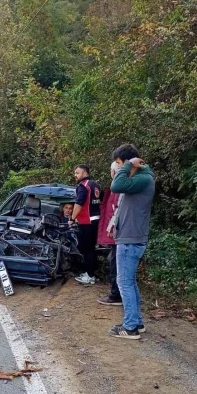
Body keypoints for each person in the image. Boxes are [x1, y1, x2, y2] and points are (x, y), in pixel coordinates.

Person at [108, 144, 155, 339]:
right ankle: (136, 322)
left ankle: (130, 327)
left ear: (129, 162)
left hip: (131, 239)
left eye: (119, 163)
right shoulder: (138, 179)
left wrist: (126, 166)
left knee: (124, 282)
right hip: (129, 237)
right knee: (129, 281)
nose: (118, 168)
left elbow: (115, 186)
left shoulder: (143, 178)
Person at [70, 164, 102, 285]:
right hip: (95, 221)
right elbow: (100, 201)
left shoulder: (83, 186)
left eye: (77, 173)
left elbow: (78, 204)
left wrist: (72, 219)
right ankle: (90, 272)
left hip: (86, 222)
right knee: (90, 249)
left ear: (84, 173)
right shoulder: (96, 185)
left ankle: (90, 276)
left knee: (87, 250)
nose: (75, 175)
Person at [97, 160, 123, 305]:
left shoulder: (118, 189)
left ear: (113, 172)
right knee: (114, 262)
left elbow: (116, 211)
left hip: (116, 234)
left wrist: (111, 229)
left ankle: (115, 295)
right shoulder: (116, 189)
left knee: (115, 264)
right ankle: (116, 293)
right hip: (117, 233)